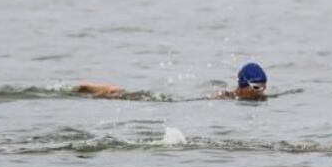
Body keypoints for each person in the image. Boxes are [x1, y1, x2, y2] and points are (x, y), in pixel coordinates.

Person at [76, 62, 270, 101]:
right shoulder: (225, 96)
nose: (260, 91)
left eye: (263, 87)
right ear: (243, 84)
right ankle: (102, 91)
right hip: (175, 101)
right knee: (125, 97)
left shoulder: (254, 98)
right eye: (256, 87)